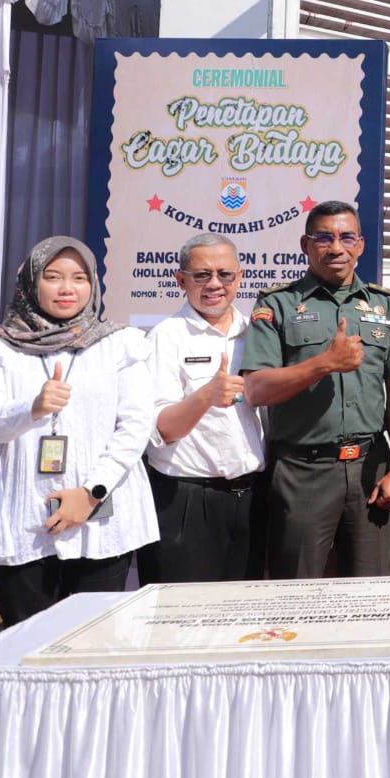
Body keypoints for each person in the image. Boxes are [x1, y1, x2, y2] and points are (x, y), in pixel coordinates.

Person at [0, 236, 158, 625]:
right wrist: (30, 407)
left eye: (79, 278)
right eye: (53, 277)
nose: (67, 288)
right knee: (27, 636)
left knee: (93, 638)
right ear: (31, 283)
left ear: (93, 285)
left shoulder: (119, 345)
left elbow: (134, 426)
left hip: (99, 516)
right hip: (22, 516)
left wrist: (92, 493)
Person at [241, 201, 390, 578]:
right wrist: (325, 363)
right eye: (323, 238)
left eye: (345, 237)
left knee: (368, 596)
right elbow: (256, 389)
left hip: (371, 470)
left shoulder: (384, 305)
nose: (335, 247)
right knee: (296, 594)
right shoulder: (278, 304)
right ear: (305, 245)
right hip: (303, 470)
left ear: (361, 245)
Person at [137, 232, 265, 584]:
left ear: (239, 277)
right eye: (201, 275)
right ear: (181, 280)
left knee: (243, 615)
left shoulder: (257, 333)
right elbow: (161, 429)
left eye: (225, 274)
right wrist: (206, 395)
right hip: (185, 501)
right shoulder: (166, 337)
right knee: (179, 617)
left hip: (251, 497)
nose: (214, 284)